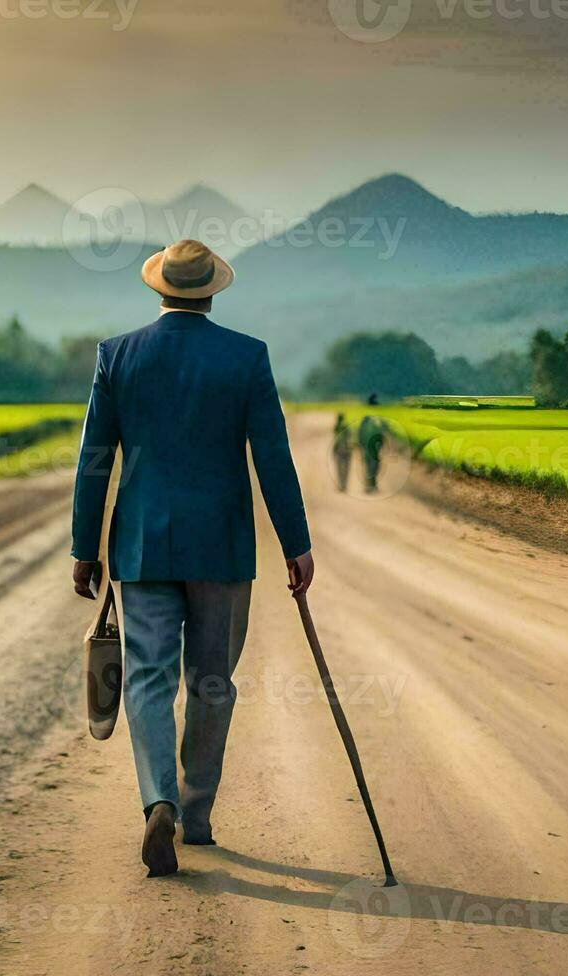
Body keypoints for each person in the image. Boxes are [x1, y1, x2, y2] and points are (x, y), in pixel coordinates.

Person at [70, 239, 314, 878]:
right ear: (211, 291)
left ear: (160, 290)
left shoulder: (116, 356)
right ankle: (197, 811)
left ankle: (160, 801)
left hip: (143, 546)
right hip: (223, 547)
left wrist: (82, 548)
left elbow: (95, 458)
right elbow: (273, 459)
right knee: (212, 680)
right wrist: (297, 544)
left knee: (149, 677)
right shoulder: (246, 357)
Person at [332, 412, 354, 492]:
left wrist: (334, 451)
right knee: (346, 468)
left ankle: (341, 485)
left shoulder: (337, 427)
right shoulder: (347, 426)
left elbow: (336, 440)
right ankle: (344, 485)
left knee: (339, 468)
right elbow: (351, 439)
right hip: (348, 451)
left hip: (340, 450)